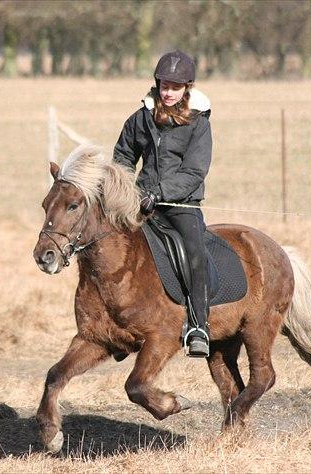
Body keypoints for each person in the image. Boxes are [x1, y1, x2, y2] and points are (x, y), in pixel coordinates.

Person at [113, 50, 213, 358]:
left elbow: (195, 171)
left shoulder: (198, 124)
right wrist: (127, 190)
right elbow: (123, 157)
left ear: (187, 88)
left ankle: (198, 325)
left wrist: (159, 191)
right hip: (143, 203)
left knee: (196, 254)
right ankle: (119, 325)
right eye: (164, 85)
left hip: (183, 205)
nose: (168, 92)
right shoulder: (140, 118)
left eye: (175, 87)